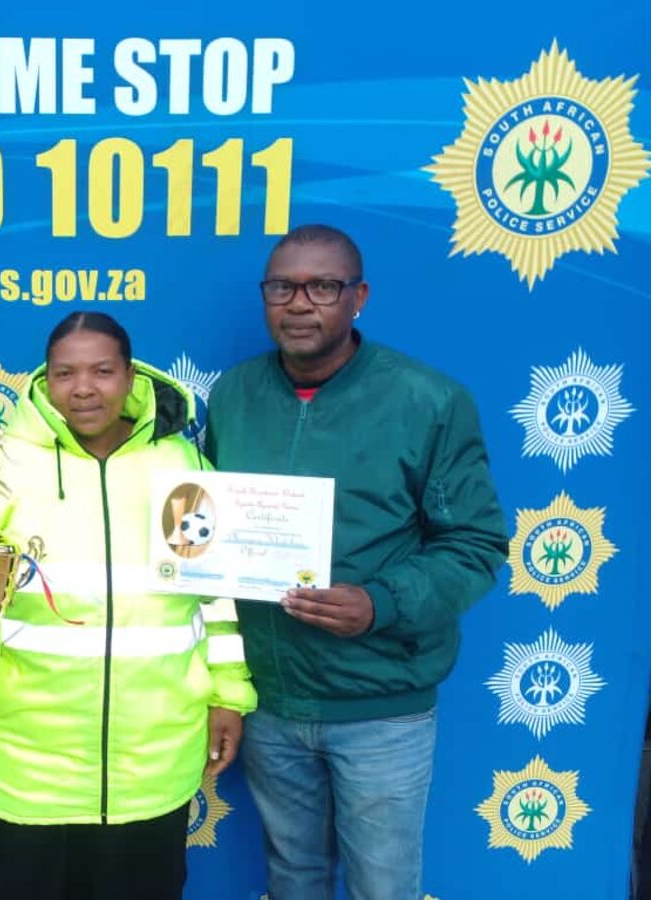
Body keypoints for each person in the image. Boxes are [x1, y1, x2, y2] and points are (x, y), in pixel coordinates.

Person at [205, 224, 507, 900]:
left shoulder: (429, 401)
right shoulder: (233, 396)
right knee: (293, 878)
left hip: (381, 707)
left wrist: (381, 603)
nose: (300, 303)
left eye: (323, 286)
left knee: (383, 887)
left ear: (358, 296)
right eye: (282, 286)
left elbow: (477, 545)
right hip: (271, 701)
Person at [0, 312, 256, 900]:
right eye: (64, 372)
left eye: (102, 371)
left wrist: (229, 692)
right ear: (43, 381)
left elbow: (216, 596)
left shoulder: (183, 468)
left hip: (151, 765)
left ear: (131, 377)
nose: (83, 388)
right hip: (27, 770)